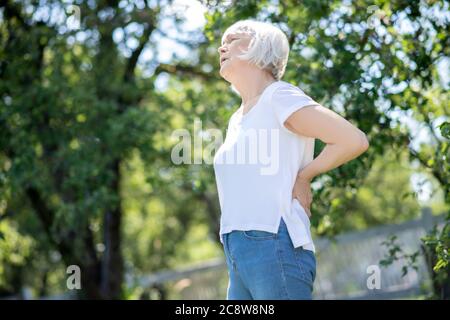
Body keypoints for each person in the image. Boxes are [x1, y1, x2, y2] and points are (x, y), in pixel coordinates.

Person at [213, 19, 369, 300]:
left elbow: (353, 140)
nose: (222, 47)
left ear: (260, 46)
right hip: (236, 252)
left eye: (232, 40)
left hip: (274, 246)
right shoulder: (237, 118)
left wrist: (304, 176)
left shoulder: (279, 95)